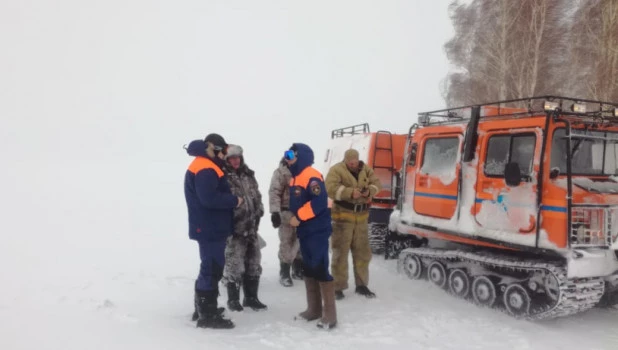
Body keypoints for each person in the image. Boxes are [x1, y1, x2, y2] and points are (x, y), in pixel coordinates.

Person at [184, 133, 243, 329]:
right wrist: (234, 200)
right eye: (223, 150)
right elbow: (209, 199)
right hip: (209, 227)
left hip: (210, 226)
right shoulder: (205, 168)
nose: (225, 154)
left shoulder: (205, 165)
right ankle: (207, 315)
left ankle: (202, 309)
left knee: (209, 267)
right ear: (215, 149)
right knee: (212, 268)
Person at [285, 143, 337, 330]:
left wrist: (299, 216)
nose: (287, 157)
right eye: (287, 154)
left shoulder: (311, 175)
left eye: (291, 154)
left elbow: (320, 202)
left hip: (317, 229)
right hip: (305, 230)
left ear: (302, 156)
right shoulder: (295, 177)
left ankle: (330, 316)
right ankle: (313, 309)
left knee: (319, 266)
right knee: (308, 267)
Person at [324, 148, 381, 300]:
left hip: (362, 218)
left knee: (363, 253)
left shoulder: (365, 169)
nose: (353, 164)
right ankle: (338, 287)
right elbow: (330, 188)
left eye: (355, 162)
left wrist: (369, 191)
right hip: (343, 218)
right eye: (350, 162)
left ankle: (362, 285)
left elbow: (377, 184)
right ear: (345, 160)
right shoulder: (336, 170)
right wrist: (349, 192)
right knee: (340, 254)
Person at [221, 145, 267, 312]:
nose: (236, 161)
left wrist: (259, 210)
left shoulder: (248, 175)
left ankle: (251, 298)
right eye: (232, 158)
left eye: (238, 157)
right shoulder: (223, 176)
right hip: (235, 230)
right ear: (226, 160)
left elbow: (257, 194)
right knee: (234, 265)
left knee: (254, 262)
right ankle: (233, 300)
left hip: (252, 228)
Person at [269, 157, 303, 287]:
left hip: (302, 213)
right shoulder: (280, 173)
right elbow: (274, 192)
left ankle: (298, 268)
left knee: (300, 240)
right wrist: (275, 212)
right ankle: (284, 272)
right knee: (287, 241)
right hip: (286, 212)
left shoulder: (303, 172)